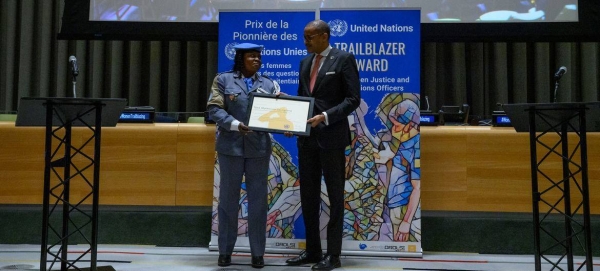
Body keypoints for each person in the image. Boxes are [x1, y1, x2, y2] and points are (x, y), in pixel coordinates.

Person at [285, 20, 361, 271]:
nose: (305, 42)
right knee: (308, 196)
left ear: (325, 36)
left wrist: (326, 117)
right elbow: (304, 99)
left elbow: (353, 99)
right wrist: (291, 120)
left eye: (309, 37)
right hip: (307, 140)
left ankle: (334, 255)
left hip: (332, 138)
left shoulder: (344, 59)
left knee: (335, 197)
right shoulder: (305, 62)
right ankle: (313, 251)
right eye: (304, 37)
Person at [207, 43, 280, 269]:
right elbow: (214, 109)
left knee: (258, 203)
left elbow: (278, 113)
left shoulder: (268, 83)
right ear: (241, 59)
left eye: (258, 56)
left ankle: (258, 253)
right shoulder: (223, 80)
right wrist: (235, 124)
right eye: (251, 56)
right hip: (231, 147)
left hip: (258, 148)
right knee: (228, 202)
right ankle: (225, 251)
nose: (257, 60)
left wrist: (286, 119)